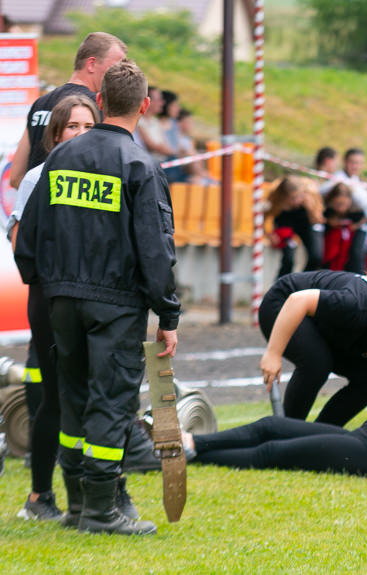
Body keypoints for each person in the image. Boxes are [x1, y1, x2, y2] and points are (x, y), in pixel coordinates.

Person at [15, 59, 181, 535]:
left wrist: (44, 284)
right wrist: (168, 314)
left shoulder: (60, 158)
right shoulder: (140, 166)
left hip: (60, 298)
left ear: (101, 101)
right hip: (115, 303)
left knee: (72, 398)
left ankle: (76, 504)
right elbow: (156, 250)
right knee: (111, 402)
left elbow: (31, 235)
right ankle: (102, 510)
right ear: (145, 107)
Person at [186, 304, 367, 483]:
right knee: (271, 425)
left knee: (273, 452)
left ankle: (190, 457)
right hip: (362, 439)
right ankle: (192, 442)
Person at [6, 95, 98, 521]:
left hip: (97, 301)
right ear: (56, 135)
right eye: (72, 127)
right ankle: (40, 496)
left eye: (87, 126)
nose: (80, 134)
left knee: (96, 395)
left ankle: (91, 496)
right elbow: (21, 245)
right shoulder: (37, 178)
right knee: (56, 397)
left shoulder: (107, 173)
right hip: (49, 301)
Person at [259, 270, 367, 426]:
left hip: (325, 324)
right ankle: (285, 433)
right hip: (284, 304)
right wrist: (273, 353)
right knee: (316, 363)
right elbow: (297, 300)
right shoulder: (356, 305)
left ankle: (318, 437)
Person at [9, 32, 127, 189]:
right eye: (115, 68)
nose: (119, 75)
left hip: (35, 207)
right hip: (73, 209)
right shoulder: (96, 106)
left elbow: (16, 177)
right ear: (91, 64)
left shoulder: (40, 103)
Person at [267, 175, 325, 277]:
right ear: (284, 196)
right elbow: (265, 217)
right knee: (288, 259)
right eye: (293, 198)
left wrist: (310, 208)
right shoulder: (276, 197)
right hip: (286, 223)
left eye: (299, 196)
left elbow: (318, 220)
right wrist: (270, 234)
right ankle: (282, 285)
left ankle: (303, 281)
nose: (297, 201)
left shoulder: (310, 194)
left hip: (307, 223)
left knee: (316, 256)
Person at [319, 147, 367, 219]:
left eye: (360, 163)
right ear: (345, 161)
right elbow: (321, 191)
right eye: (353, 162)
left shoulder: (356, 180)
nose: (356, 167)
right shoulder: (337, 179)